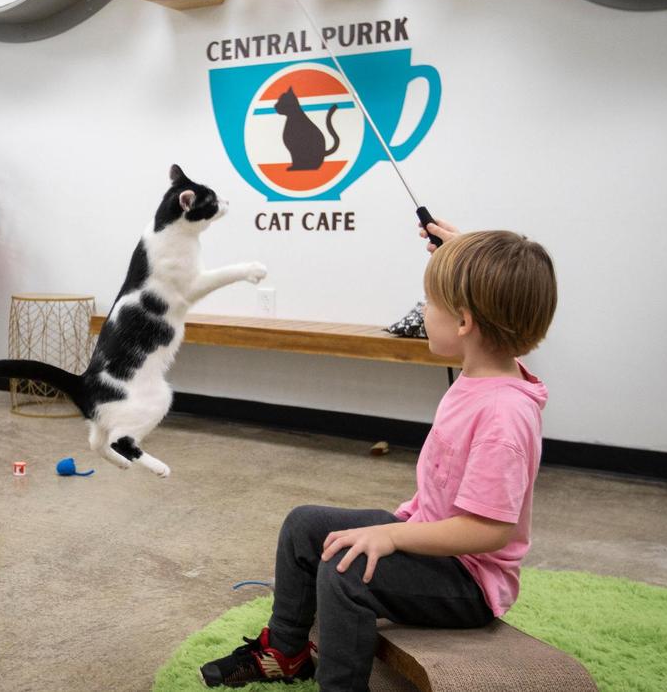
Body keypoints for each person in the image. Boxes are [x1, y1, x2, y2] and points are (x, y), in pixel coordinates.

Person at [199, 222, 558, 691]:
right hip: (433, 542)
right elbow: (500, 303)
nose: (424, 312)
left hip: (468, 582)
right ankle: (286, 651)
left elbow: (489, 530)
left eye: (430, 302)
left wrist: (391, 535)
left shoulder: (504, 416)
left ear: (466, 322)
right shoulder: (487, 371)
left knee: (344, 571)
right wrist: (462, 256)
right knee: (305, 526)